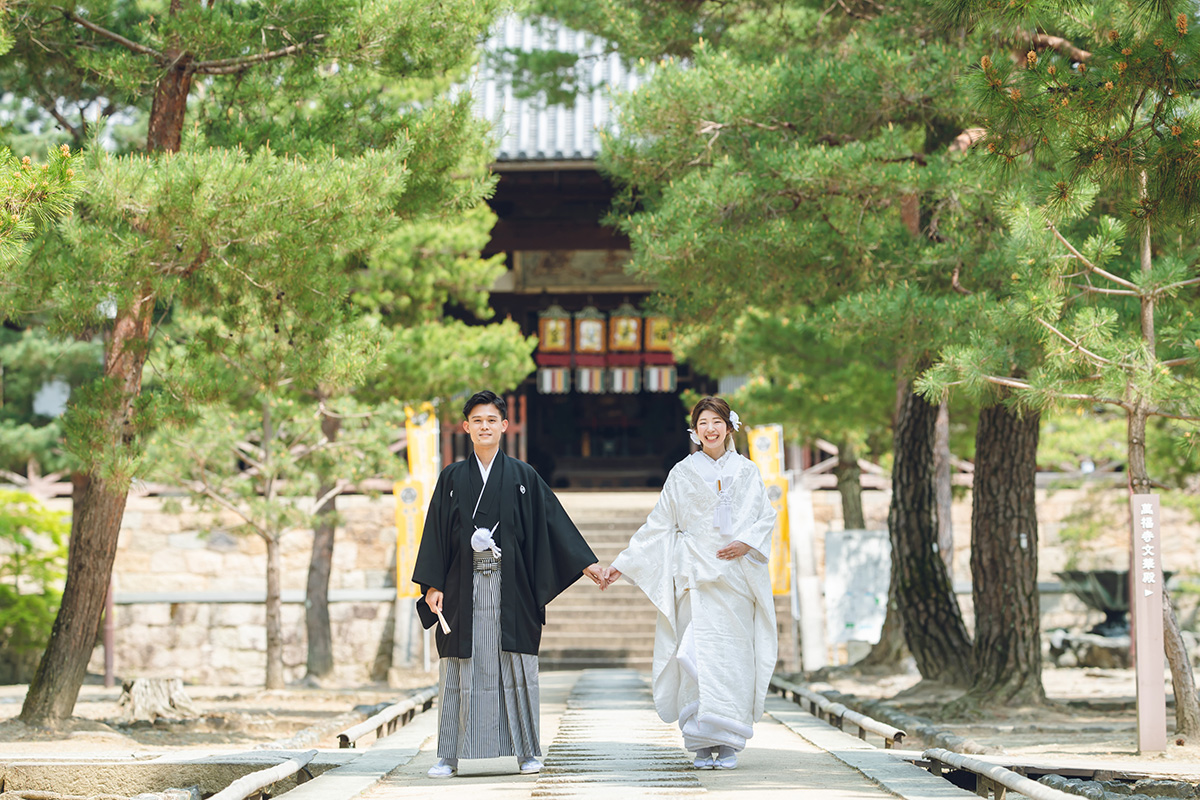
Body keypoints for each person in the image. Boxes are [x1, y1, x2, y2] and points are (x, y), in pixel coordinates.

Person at [412, 390, 605, 778]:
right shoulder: (451, 477)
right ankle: (448, 755)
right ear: (466, 427)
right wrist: (432, 585)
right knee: (457, 667)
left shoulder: (522, 476)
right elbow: (435, 533)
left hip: (510, 587)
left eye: (491, 420)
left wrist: (586, 564)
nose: (485, 426)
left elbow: (552, 523)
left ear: (504, 425)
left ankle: (527, 753)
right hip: (461, 587)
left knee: (516, 666)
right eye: (477, 421)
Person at [601, 396, 777, 770]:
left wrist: (747, 542)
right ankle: (699, 740)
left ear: (729, 427)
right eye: (703, 424)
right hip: (694, 577)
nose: (710, 429)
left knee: (732, 657)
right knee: (692, 654)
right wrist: (622, 564)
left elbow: (765, 516)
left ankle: (728, 742)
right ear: (694, 431)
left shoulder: (747, 471)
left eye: (716, 422)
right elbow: (659, 524)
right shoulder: (681, 473)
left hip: (735, 578)